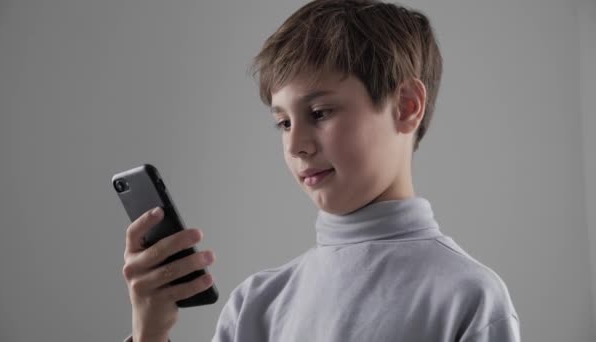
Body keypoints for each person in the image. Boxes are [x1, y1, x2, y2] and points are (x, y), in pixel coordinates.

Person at [121, 0, 521, 341]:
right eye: (283, 123)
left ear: (406, 105)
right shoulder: (256, 304)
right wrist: (150, 331)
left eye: (320, 112)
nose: (296, 145)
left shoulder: (469, 299)